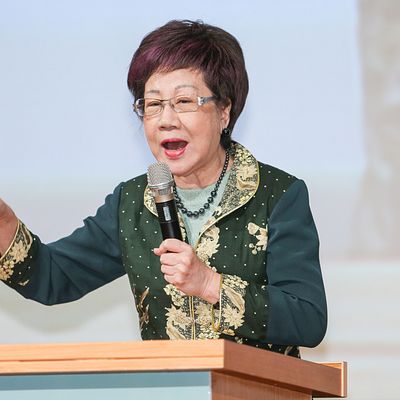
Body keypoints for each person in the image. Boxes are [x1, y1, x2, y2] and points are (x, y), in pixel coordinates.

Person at [0, 20, 326, 357]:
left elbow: (309, 318)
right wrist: (5, 225)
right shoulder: (131, 202)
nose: (166, 120)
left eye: (184, 101)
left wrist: (209, 284)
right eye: (153, 104)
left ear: (224, 111)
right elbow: (55, 277)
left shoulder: (276, 195)